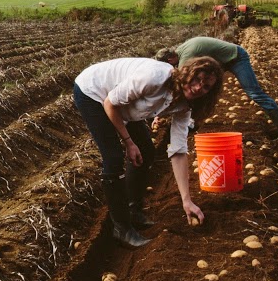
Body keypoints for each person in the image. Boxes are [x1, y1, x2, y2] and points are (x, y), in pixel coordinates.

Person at [73, 56, 224, 247]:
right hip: (94, 93)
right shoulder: (155, 77)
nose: (197, 88)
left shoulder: (185, 106)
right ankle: (122, 228)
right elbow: (110, 103)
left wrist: (187, 201)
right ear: (187, 72)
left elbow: (178, 150)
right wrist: (128, 142)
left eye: (205, 87)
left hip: (124, 105)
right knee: (113, 157)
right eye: (196, 79)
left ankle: (132, 210)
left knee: (146, 150)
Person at [155, 36, 278, 140]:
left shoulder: (186, 57)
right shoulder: (179, 51)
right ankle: (192, 121)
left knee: (254, 93)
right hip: (219, 61)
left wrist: (160, 112)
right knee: (200, 90)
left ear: (169, 59)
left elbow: (180, 85)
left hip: (236, 58)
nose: (172, 68)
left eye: (169, 65)